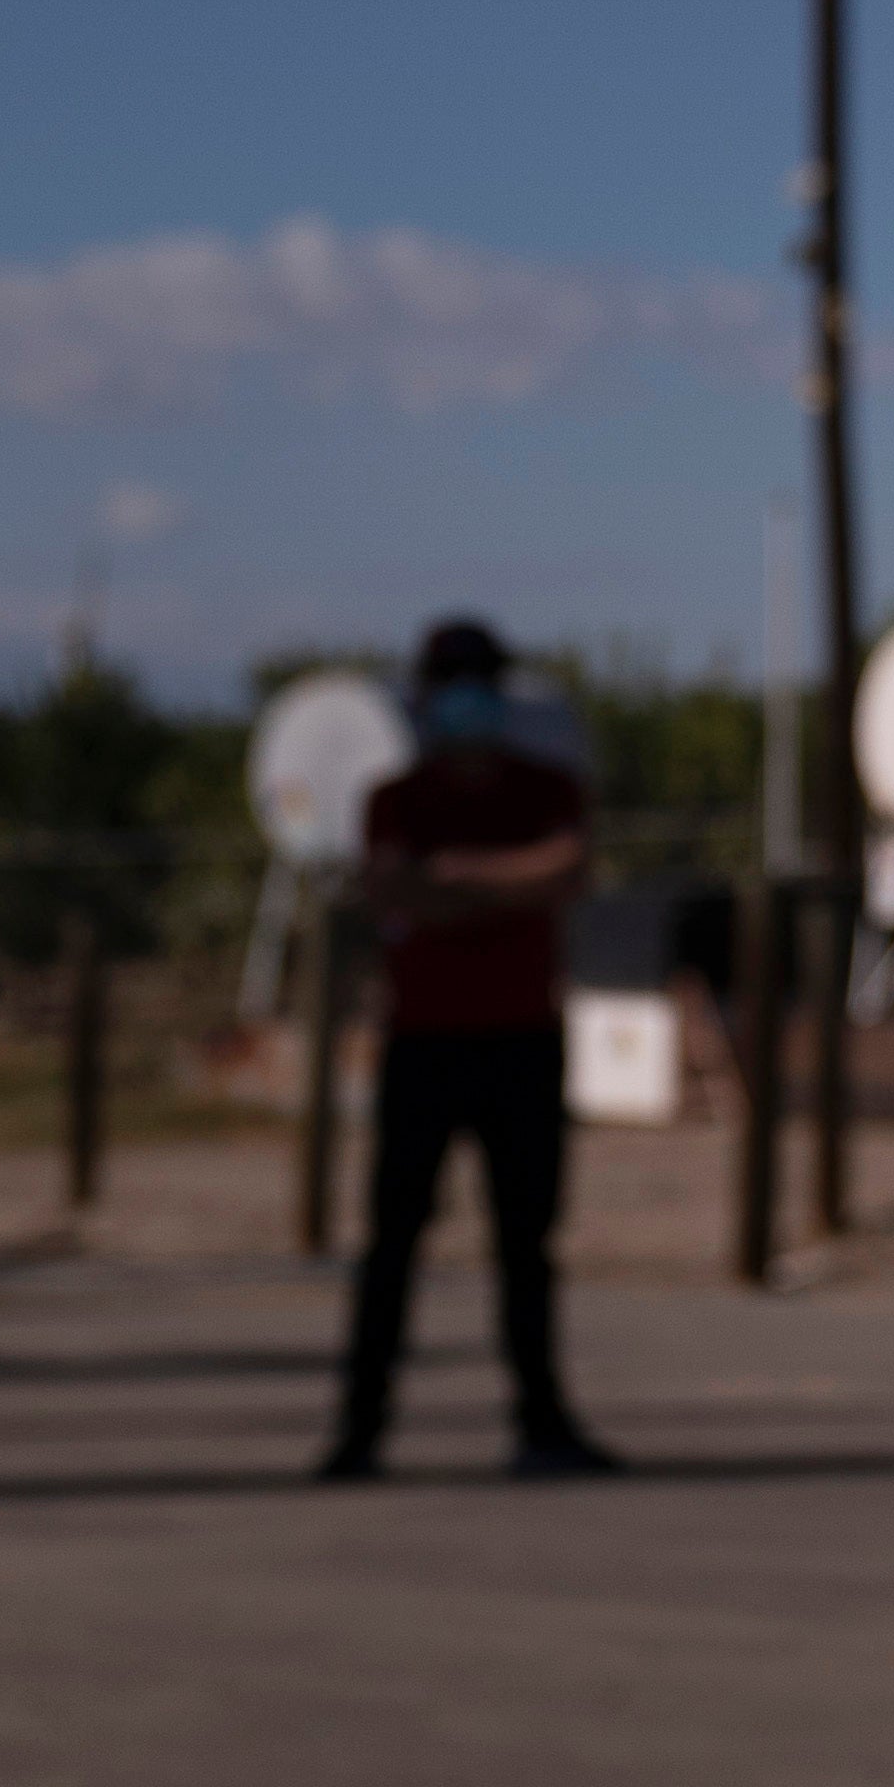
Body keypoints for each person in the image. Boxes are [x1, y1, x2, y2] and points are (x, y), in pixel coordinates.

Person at [315, 617, 617, 1481]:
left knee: (527, 1242)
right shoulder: (395, 796)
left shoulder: (548, 786)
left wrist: (449, 880)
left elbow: (565, 869)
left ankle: (543, 1420)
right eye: (453, 681)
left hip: (522, 1041)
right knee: (394, 1240)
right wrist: (507, 883)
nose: (465, 697)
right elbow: (394, 891)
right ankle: (360, 1427)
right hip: (424, 1045)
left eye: (478, 680)